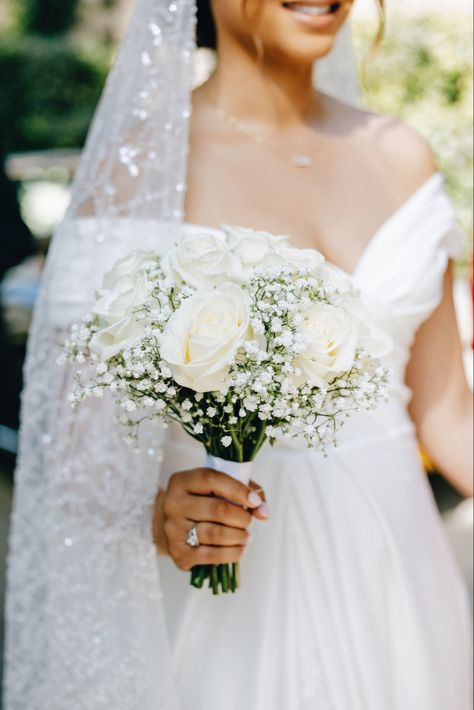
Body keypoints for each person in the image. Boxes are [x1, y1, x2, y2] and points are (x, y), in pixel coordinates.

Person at [4, 1, 473, 709]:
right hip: (225, 598)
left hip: (396, 575)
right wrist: (160, 512)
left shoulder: (402, 154)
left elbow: (449, 415)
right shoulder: (138, 170)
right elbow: (75, 456)